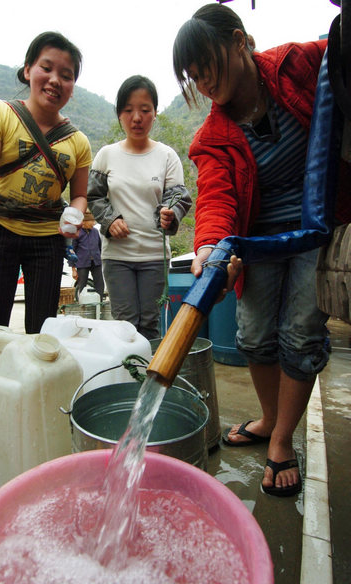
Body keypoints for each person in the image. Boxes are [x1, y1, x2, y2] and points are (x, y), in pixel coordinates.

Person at [173, 3, 329, 497]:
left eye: (206, 67)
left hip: (315, 228)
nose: (203, 83)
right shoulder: (213, 136)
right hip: (256, 239)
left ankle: (281, 440)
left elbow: (341, 54)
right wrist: (207, 250)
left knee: (300, 333)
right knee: (255, 335)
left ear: (239, 41)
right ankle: (266, 417)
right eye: (194, 76)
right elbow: (216, 198)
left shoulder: (294, 66)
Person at [0, 32, 92, 333]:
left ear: (73, 86)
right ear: (27, 70)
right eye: (46, 68)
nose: (55, 80)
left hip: (47, 241)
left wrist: (74, 212)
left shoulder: (79, 141)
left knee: (42, 330)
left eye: (66, 75)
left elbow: (80, 195)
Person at [87, 75, 191, 340]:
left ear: (155, 113)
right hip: (117, 257)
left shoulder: (166, 156)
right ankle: (128, 377)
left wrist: (170, 212)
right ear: (119, 114)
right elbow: (94, 197)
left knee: (150, 324)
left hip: (155, 257)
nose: (137, 117)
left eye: (145, 110)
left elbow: (178, 195)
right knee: (125, 326)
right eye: (129, 110)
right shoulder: (106, 155)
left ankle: (149, 379)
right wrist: (109, 221)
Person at [72, 209, 104, 301]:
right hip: (82, 263)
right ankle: (83, 304)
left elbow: (99, 247)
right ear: (84, 222)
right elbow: (72, 251)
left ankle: (99, 303)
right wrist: (73, 269)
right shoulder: (77, 233)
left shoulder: (95, 232)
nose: (94, 223)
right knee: (82, 285)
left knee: (100, 284)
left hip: (96, 262)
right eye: (92, 221)